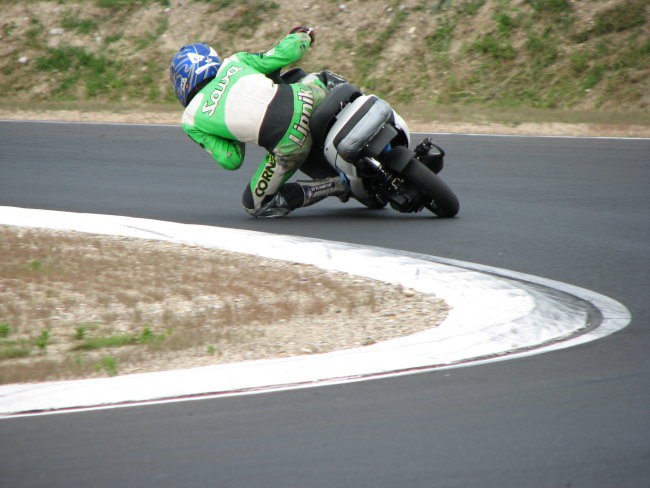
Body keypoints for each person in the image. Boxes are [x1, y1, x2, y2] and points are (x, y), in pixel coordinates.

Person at [169, 26, 350, 218]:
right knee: (315, 78)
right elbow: (281, 54)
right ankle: (356, 98)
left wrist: (230, 129)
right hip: (308, 97)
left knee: (255, 204)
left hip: (291, 143)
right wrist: (302, 35)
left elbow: (231, 160)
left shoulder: (190, 119)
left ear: (182, 82)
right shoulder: (235, 61)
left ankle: (336, 185)